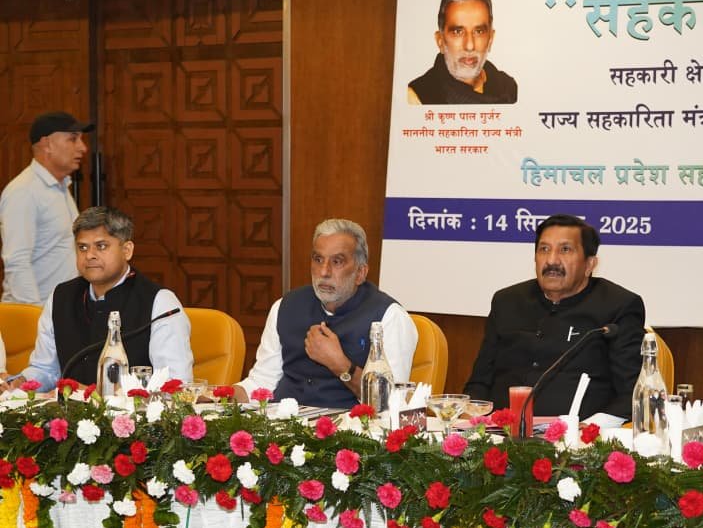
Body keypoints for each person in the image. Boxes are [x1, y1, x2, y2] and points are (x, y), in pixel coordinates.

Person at [463, 214, 645, 425]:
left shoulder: (618, 306)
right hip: (499, 434)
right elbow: (479, 382)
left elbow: (633, 393)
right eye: (544, 249)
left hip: (577, 436)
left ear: (590, 264)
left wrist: (589, 428)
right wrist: (473, 421)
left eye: (565, 249)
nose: (551, 261)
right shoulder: (507, 301)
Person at [0, 206, 193, 392]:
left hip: (135, 414)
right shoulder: (61, 297)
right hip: (67, 413)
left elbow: (175, 386)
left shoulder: (160, 303)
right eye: (82, 247)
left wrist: (95, 396)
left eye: (101, 246)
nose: (89, 255)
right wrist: (20, 383)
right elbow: (46, 370)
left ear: (127, 250)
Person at [235, 219, 418, 408]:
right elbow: (262, 382)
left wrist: (341, 365)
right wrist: (220, 396)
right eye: (318, 259)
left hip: (346, 424)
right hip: (281, 421)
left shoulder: (389, 317)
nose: (324, 272)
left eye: (337, 262)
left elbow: (391, 404)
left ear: (360, 273)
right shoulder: (285, 307)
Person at [0, 111, 93, 305]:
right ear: (47, 144)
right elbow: (17, 262)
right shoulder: (24, 191)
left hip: (59, 311)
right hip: (36, 313)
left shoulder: (61, 188)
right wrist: (35, 316)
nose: (83, 148)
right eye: (73, 139)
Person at [407, 0, 518, 105]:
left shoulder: (508, 88)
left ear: (490, 39)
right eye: (458, 32)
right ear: (440, 41)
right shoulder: (417, 98)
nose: (469, 46)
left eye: (479, 31)